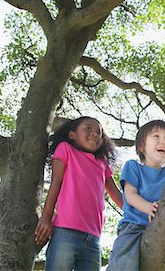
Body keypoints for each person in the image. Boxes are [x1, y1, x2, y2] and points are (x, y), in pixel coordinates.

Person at [34, 116, 123, 271]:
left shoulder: (102, 163)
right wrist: (46, 217)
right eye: (88, 128)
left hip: (94, 238)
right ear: (72, 135)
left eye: (99, 133)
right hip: (65, 231)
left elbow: (117, 195)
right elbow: (56, 182)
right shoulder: (66, 149)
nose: (95, 134)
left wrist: (141, 212)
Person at [107, 120, 165, 271]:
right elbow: (130, 195)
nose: (163, 141)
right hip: (133, 226)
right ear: (142, 146)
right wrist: (149, 207)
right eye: (156, 136)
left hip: (161, 229)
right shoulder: (133, 167)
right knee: (124, 260)